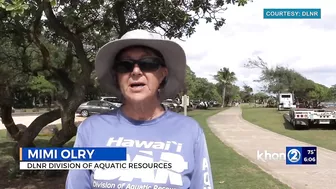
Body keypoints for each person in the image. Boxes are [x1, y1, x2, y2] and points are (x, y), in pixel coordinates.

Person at [65, 29, 214, 189]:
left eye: (148, 63)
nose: (136, 71)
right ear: (117, 76)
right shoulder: (91, 129)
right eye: (125, 65)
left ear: (163, 74)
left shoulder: (190, 131)